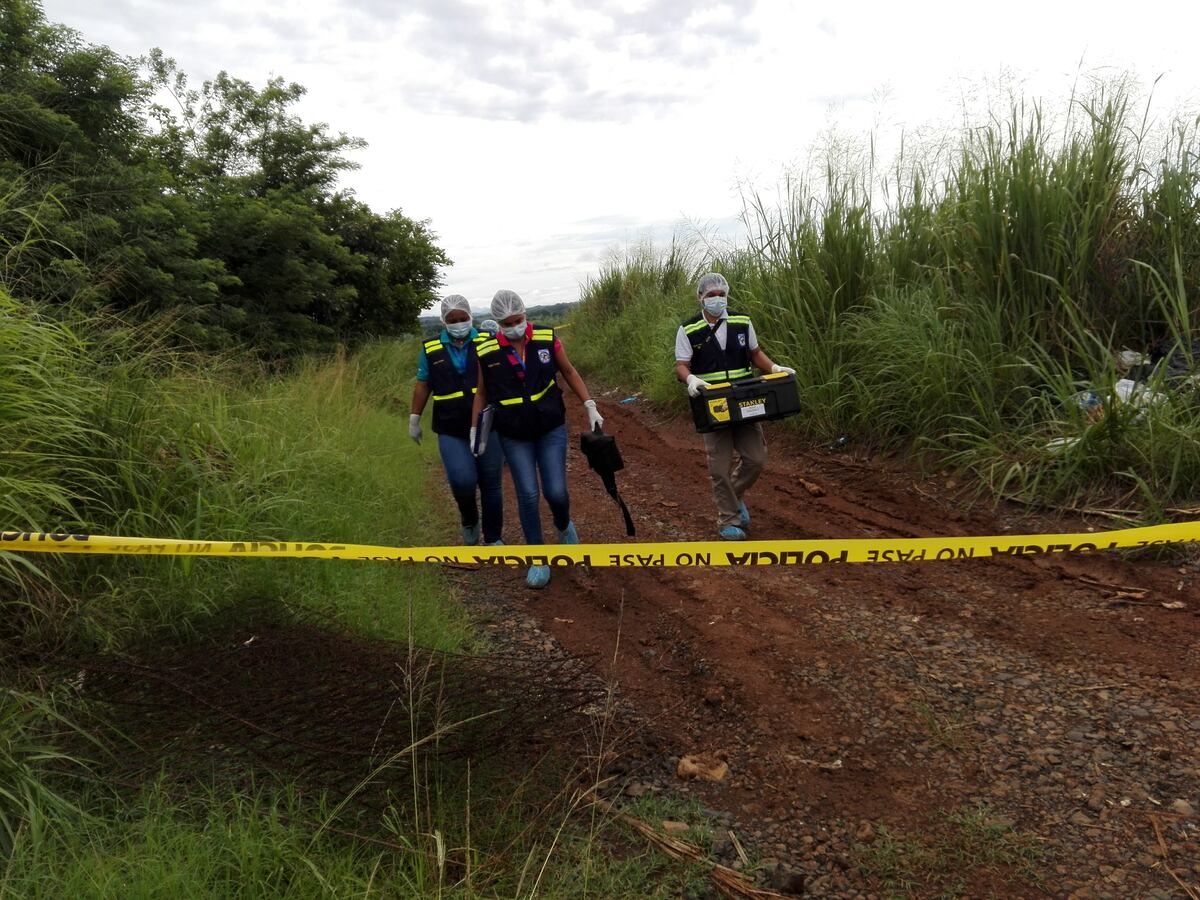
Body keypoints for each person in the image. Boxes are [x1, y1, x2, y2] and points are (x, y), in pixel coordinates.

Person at [470, 289, 602, 588]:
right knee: (528, 493)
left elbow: (568, 370)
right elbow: (481, 393)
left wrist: (589, 405)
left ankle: (563, 524)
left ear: (525, 315)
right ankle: (537, 557)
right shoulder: (487, 352)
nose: (512, 327)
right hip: (513, 433)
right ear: (497, 323)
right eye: (505, 323)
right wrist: (474, 429)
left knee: (556, 492)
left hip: (549, 427)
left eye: (516, 320)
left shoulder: (545, 338)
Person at [675, 272, 794, 540]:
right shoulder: (689, 329)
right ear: (700, 298)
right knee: (719, 467)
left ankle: (735, 495)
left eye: (721, 295)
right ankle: (728, 519)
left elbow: (754, 354)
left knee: (756, 458)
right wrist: (691, 378)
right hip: (713, 404)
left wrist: (774, 367)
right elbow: (681, 365)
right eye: (711, 295)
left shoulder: (742, 322)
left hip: (744, 399)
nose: (717, 299)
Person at [410, 295, 504, 546]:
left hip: (487, 422)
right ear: (444, 321)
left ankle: (494, 537)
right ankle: (469, 517)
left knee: (491, 483)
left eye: (463, 319)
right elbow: (423, 384)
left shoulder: (487, 340)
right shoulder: (430, 349)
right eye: (453, 320)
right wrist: (414, 418)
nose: (459, 324)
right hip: (450, 425)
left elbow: (502, 374)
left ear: (471, 317)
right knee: (462, 480)